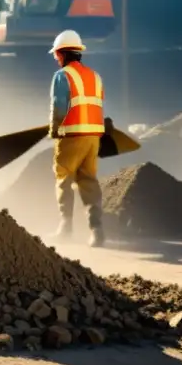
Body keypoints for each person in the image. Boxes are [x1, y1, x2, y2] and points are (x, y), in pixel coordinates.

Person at [48, 29, 106, 247]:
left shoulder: (62, 76)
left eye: (56, 54)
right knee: (88, 180)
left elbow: (59, 105)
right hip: (93, 137)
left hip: (72, 135)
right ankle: (97, 231)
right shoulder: (95, 76)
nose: (55, 58)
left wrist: (54, 128)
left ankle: (66, 227)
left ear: (62, 54)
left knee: (63, 178)